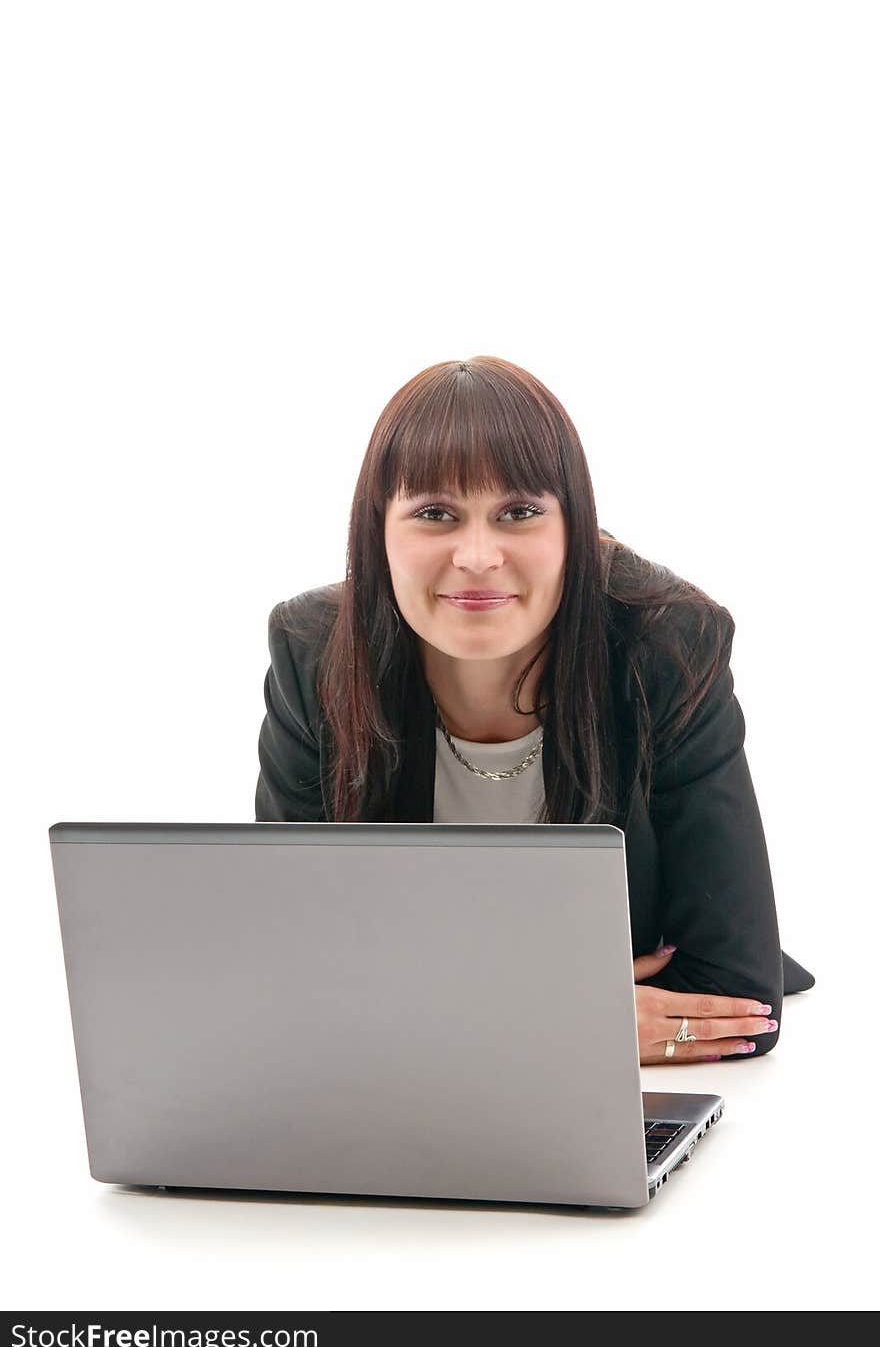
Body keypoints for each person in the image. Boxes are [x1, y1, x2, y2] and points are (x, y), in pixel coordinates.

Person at [255, 355, 814, 1065]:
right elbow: (289, 974)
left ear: (573, 530)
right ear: (378, 533)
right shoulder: (315, 655)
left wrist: (406, 1007)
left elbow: (736, 1003)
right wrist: (550, 1019)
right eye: (434, 513)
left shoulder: (669, 649)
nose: (479, 555)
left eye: (518, 512)